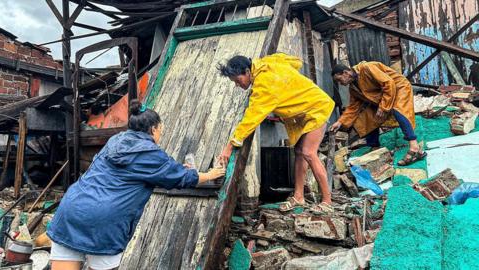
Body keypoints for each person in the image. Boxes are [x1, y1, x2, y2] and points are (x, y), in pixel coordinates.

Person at [47, 100, 225, 270]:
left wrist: (176, 170)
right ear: (154, 129)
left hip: (71, 209)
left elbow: (158, 170)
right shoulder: (151, 153)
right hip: (104, 222)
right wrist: (210, 175)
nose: (160, 134)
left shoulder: (115, 141)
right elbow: (181, 178)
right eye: (160, 129)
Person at [217, 53, 335, 214]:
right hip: (307, 109)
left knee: (308, 152)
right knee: (299, 152)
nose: (238, 85)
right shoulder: (268, 63)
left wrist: (229, 147)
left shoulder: (263, 84)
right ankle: (299, 197)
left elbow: (250, 119)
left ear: (247, 71)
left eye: (238, 81)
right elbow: (296, 62)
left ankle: (327, 201)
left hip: (317, 108)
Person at [330, 61, 426, 165]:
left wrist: (383, 107)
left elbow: (388, 83)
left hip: (399, 87)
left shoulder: (367, 68)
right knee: (368, 117)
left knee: (399, 110)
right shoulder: (353, 88)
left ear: (345, 73)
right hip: (383, 94)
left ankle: (414, 147)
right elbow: (353, 107)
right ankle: (374, 146)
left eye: (339, 80)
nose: (341, 84)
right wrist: (340, 122)